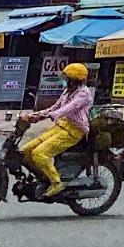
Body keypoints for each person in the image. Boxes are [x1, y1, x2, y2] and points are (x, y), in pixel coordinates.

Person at [20, 62, 94, 199]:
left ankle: (56, 183)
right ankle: (44, 176)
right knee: (25, 151)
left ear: (75, 80)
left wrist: (54, 115)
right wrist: (34, 116)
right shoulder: (67, 92)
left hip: (75, 130)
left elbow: (70, 108)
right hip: (61, 125)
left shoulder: (84, 93)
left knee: (39, 154)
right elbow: (54, 108)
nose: (66, 81)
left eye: (68, 79)